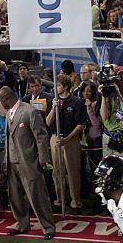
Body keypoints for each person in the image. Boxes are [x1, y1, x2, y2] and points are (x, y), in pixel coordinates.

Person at [0, 86, 56, 239]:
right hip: (12, 162)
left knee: (37, 195)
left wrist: (43, 159)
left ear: (6, 98)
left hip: (29, 161)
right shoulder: (9, 114)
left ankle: (48, 227)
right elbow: (8, 139)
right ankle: (22, 224)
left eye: (0, 99)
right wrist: (5, 159)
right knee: (15, 197)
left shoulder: (29, 111)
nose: (0, 102)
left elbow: (41, 136)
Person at [46, 75, 88, 212]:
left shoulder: (77, 102)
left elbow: (81, 125)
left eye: (58, 85)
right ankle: (59, 200)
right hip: (55, 138)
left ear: (65, 86)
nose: (55, 88)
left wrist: (68, 139)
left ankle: (75, 201)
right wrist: (53, 108)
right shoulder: (53, 101)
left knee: (72, 171)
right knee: (57, 171)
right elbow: (48, 122)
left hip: (70, 140)